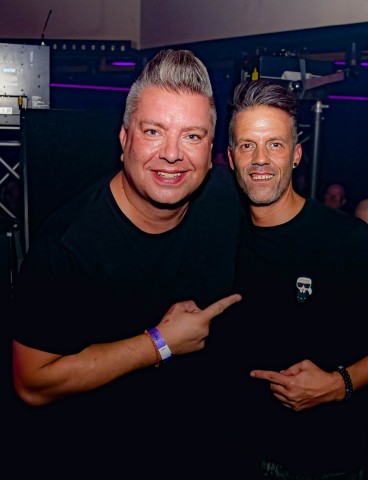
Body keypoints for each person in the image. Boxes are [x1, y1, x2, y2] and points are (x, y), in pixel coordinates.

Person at [9, 49, 242, 477]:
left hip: (205, 447)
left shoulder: (228, 199)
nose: (171, 154)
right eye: (153, 131)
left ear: (211, 150)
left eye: (192, 136)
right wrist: (160, 343)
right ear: (124, 139)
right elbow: (32, 382)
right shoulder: (69, 244)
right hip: (103, 455)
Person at [217, 79, 368, 480]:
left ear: (296, 155)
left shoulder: (345, 239)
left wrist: (338, 384)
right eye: (247, 145)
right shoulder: (220, 232)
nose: (260, 159)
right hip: (236, 453)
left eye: (274, 145)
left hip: (323, 464)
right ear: (231, 157)